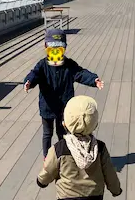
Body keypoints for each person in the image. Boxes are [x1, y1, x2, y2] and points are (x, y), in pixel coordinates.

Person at [24, 29, 104, 158]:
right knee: (47, 133)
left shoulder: (69, 65)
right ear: (46, 47)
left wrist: (94, 80)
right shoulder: (42, 65)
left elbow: (81, 73)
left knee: (63, 133)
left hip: (64, 108)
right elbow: (34, 74)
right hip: (47, 106)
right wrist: (29, 82)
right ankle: (47, 158)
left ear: (64, 49)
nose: (55, 53)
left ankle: (64, 156)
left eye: (59, 49)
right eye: (51, 49)